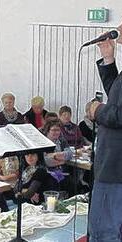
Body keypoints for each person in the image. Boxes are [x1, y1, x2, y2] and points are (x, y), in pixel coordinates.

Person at [88, 30, 122, 242]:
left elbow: (119, 114)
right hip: (114, 163)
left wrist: (97, 110)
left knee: (105, 231)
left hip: (115, 166)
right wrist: (108, 59)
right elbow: (117, 96)